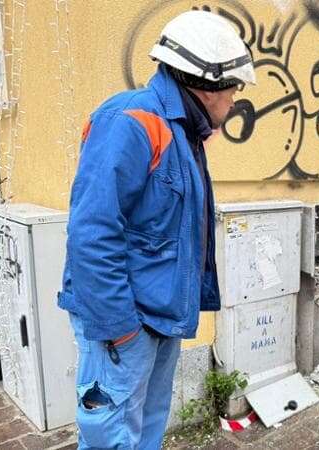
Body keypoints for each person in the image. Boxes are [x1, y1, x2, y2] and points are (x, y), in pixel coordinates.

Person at [57, 10, 255, 449]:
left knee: (147, 431)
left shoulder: (181, 131)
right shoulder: (131, 120)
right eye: (235, 88)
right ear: (208, 88)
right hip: (126, 322)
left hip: (159, 318)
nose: (236, 99)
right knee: (110, 438)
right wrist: (120, 328)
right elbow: (92, 232)